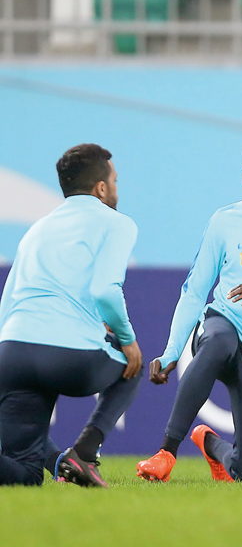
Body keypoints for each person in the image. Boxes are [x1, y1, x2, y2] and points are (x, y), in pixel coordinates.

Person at [136, 137, 242, 483]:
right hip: (226, 324)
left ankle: (211, 445)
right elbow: (195, 290)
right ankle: (166, 452)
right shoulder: (226, 221)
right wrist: (171, 351)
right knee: (220, 340)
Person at [0, 144, 143, 488]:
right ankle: (85, 452)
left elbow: (7, 302)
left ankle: (66, 463)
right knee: (133, 365)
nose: (117, 189)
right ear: (101, 188)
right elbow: (105, 290)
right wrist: (127, 339)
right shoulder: (117, 223)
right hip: (71, 360)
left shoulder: (37, 229)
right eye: (115, 181)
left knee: (24, 474)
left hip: (13, 354)